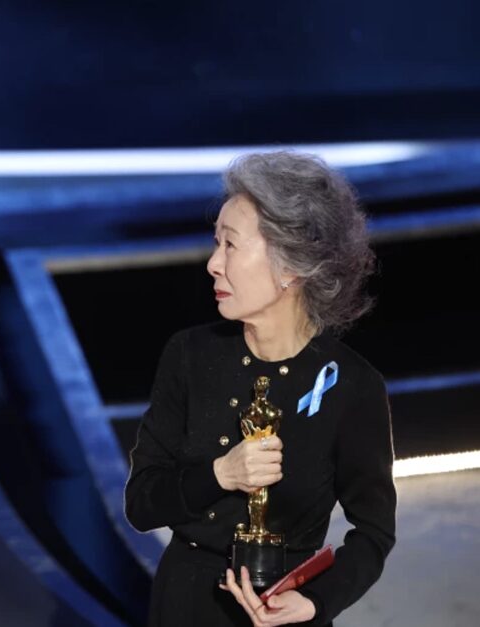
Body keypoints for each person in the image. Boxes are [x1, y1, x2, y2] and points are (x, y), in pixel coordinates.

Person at [124, 151, 396, 627]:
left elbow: (373, 532)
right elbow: (142, 504)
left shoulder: (352, 386)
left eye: (230, 246)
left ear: (290, 264)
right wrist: (221, 475)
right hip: (184, 604)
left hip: (285, 612)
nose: (212, 263)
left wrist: (317, 601)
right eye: (216, 244)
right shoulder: (189, 355)